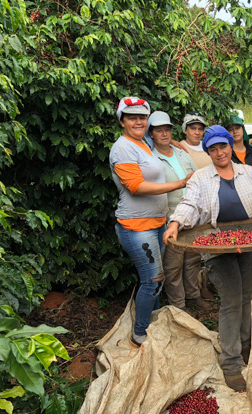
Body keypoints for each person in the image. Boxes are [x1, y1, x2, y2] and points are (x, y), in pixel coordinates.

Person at [163, 125, 252, 391]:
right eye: (213, 149)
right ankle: (230, 362)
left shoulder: (246, 172)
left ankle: (245, 346)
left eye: (223, 146)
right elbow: (190, 204)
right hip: (219, 247)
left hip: (248, 243)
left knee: (244, 295)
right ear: (208, 151)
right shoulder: (201, 178)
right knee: (230, 299)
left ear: (230, 146)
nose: (219, 152)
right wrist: (175, 223)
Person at [109, 97, 192, 347]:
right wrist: (180, 183)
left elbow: (161, 141)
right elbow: (135, 186)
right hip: (137, 227)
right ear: (122, 121)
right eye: (132, 117)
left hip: (157, 223)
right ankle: (140, 333)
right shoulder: (122, 148)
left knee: (158, 278)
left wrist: (177, 143)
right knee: (153, 280)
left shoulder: (142, 143)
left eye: (142, 117)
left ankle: (153, 322)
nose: (138, 121)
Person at [145, 111, 210, 312]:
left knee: (192, 259)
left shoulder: (182, 153)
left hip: (192, 215)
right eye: (159, 130)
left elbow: (196, 178)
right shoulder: (150, 157)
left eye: (167, 130)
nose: (164, 134)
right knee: (173, 265)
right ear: (152, 134)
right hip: (169, 216)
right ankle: (179, 305)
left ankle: (193, 295)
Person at [225, 113, 252, 178]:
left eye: (237, 128)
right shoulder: (226, 154)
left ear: (243, 129)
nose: (235, 131)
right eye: (231, 129)